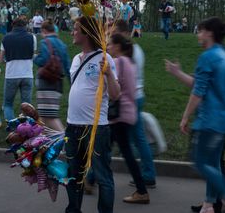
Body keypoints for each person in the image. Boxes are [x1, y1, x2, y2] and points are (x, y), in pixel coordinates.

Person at [166, 17, 225, 213]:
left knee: (200, 161)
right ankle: (209, 205)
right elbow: (205, 85)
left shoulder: (208, 56)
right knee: (214, 163)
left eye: (200, 31)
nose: (198, 35)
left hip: (210, 120)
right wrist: (177, 73)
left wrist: (185, 117)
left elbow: (198, 91)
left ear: (209, 33)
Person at [65, 16, 120, 213]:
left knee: (103, 176)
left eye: (76, 29)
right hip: (73, 126)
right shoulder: (75, 59)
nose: (73, 32)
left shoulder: (105, 59)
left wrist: (109, 74)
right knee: (73, 175)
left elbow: (115, 95)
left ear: (86, 33)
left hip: (96, 128)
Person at [113, 21, 157, 189]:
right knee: (135, 139)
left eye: (115, 32)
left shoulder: (130, 53)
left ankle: (146, 175)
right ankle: (146, 174)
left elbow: (126, 79)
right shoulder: (135, 50)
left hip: (131, 98)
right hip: (135, 97)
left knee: (134, 139)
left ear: (124, 32)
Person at [107, 33, 150, 203]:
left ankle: (142, 190)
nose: (108, 47)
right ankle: (89, 180)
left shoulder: (118, 62)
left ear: (118, 46)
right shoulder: (131, 63)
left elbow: (113, 87)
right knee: (106, 148)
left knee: (125, 152)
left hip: (119, 114)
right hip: (127, 112)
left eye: (110, 44)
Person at [33, 19, 70, 131]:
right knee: (44, 116)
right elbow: (67, 66)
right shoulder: (62, 44)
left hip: (46, 82)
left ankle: (64, 141)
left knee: (50, 117)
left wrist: (35, 58)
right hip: (58, 82)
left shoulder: (45, 42)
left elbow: (43, 60)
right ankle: (45, 142)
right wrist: (71, 82)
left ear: (44, 30)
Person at [0, 18, 36, 120]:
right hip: (27, 74)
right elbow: (33, 54)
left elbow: (1, 58)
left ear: (13, 25)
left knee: (8, 104)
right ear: (25, 26)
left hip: (11, 74)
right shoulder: (32, 37)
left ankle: (12, 128)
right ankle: (25, 128)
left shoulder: (6, 38)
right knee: (26, 106)